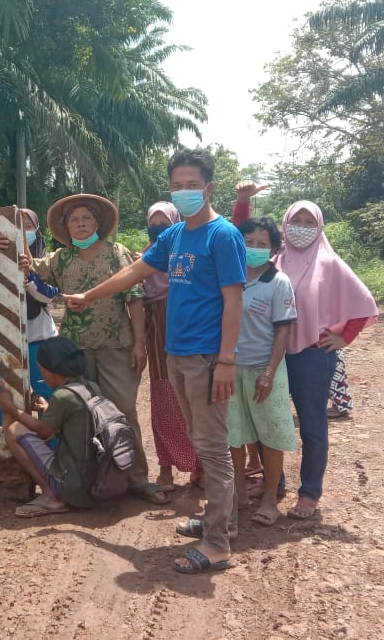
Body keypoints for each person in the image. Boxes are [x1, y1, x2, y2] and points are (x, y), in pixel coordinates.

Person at [63, 149, 246, 574]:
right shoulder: (175, 236)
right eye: (177, 185)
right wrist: (89, 296)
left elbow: (234, 302)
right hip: (178, 354)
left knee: (213, 448)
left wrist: (226, 362)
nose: (184, 192)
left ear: (209, 187)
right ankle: (224, 521)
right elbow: (135, 273)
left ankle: (217, 543)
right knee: (202, 440)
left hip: (206, 357)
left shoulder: (223, 236)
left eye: (191, 185)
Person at [24, 193, 167, 505]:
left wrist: (140, 343)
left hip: (118, 345)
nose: (81, 224)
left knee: (124, 410)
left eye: (86, 218)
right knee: (81, 415)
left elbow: (135, 299)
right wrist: (14, 235)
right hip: (77, 351)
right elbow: (30, 266)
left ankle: (137, 477)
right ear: (67, 228)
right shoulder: (60, 259)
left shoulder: (118, 254)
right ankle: (92, 479)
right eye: (74, 220)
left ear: (98, 222)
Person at [270, 199, 377, 519]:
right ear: (285, 224)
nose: (300, 228)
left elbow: (363, 302)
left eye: (308, 222)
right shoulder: (275, 259)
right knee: (272, 422)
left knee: (312, 425)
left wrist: (344, 336)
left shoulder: (330, 264)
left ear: (319, 228)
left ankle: (309, 493)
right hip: (274, 353)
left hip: (313, 357)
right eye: (295, 221)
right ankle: (275, 483)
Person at [228, 215, 299, 526]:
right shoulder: (230, 275)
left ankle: (270, 497)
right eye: (248, 242)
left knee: (269, 436)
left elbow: (283, 331)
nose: (254, 248)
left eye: (262, 244)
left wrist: (269, 372)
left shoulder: (278, 282)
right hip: (230, 368)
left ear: (273, 249)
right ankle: (239, 493)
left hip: (263, 369)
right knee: (233, 434)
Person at [0, 337, 94, 517]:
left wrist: (11, 408)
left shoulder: (62, 397)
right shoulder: (90, 386)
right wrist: (49, 409)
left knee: (14, 431)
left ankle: (51, 496)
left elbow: (43, 430)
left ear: (51, 371)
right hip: (97, 481)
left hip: (76, 488)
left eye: (41, 370)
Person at [142, 202, 201, 493]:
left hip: (189, 329)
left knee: (194, 399)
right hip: (157, 330)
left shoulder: (187, 254)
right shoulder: (145, 257)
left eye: (165, 222)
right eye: (153, 222)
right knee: (164, 398)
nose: (158, 228)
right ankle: (166, 466)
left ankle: (200, 465)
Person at [21, 207, 60, 403]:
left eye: (27, 226)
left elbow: (51, 295)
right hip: (5, 339)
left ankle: (50, 435)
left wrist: (31, 282)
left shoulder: (48, 260)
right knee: (10, 397)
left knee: (46, 394)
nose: (22, 232)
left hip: (41, 337)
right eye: (18, 226)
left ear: (36, 229)